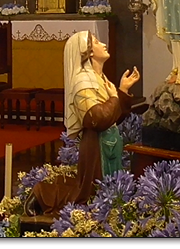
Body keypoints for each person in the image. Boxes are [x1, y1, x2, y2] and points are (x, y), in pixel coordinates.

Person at [31, 30, 140, 214]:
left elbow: (113, 117)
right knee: (93, 196)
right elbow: (96, 119)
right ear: (87, 52)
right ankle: (43, 194)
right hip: (96, 146)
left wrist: (122, 91)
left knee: (111, 192)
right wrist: (115, 97)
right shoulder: (82, 81)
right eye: (97, 42)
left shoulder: (100, 79)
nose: (103, 44)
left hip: (109, 143)